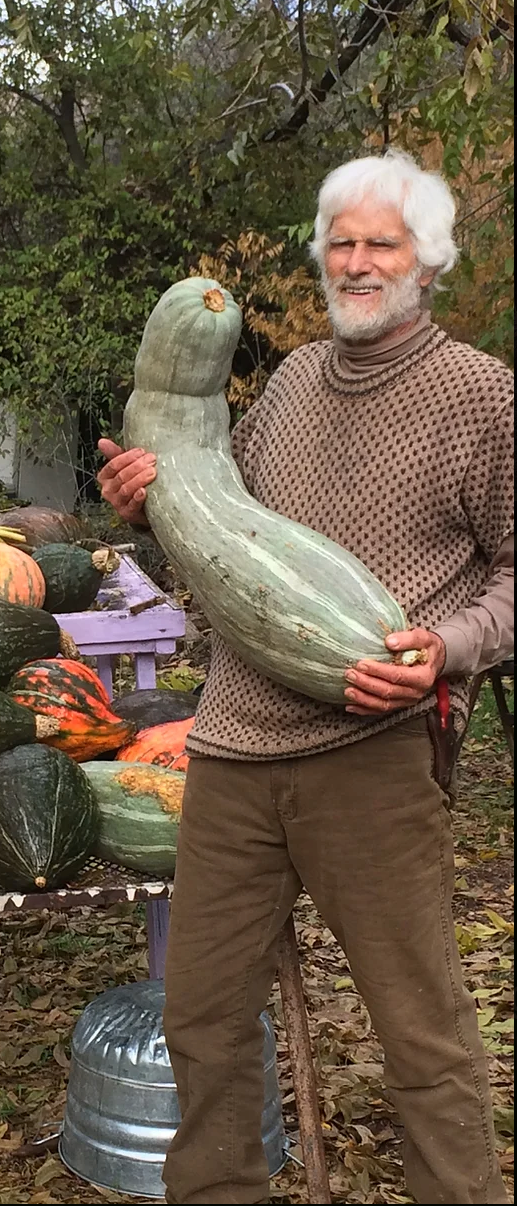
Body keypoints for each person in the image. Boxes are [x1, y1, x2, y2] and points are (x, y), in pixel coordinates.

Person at [97, 149, 514, 1205]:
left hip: (374, 754)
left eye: (383, 243)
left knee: (420, 1032)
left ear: (430, 261)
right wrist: (149, 507)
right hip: (233, 749)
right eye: (342, 242)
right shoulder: (285, 385)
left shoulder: (483, 397)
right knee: (202, 1020)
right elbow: (229, 554)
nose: (357, 262)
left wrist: (448, 647)